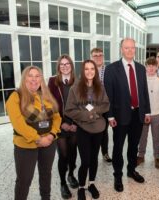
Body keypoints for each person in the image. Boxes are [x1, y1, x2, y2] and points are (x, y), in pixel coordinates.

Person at [6, 66, 61, 200]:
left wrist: (51, 135)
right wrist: (38, 139)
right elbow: (19, 124)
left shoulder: (46, 95)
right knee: (24, 180)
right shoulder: (15, 96)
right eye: (30, 76)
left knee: (46, 174)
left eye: (37, 76)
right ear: (24, 78)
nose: (34, 79)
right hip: (26, 146)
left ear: (41, 79)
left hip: (49, 142)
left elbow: (57, 117)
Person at [104, 38, 151, 192]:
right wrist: (110, 116)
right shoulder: (111, 69)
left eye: (132, 48)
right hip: (119, 116)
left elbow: (144, 92)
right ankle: (118, 175)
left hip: (138, 114)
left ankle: (131, 170)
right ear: (121, 49)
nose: (130, 50)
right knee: (118, 147)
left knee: (133, 146)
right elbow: (108, 95)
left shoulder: (140, 68)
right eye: (127, 48)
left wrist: (147, 111)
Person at [65, 60, 109, 200]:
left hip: (98, 129)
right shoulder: (75, 88)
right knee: (85, 161)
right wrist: (85, 115)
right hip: (83, 129)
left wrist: (95, 111)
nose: (90, 71)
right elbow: (69, 110)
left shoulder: (100, 87)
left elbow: (106, 105)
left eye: (92, 69)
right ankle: (81, 187)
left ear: (95, 71)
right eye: (86, 69)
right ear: (82, 71)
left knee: (94, 159)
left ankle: (91, 184)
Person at [48, 55, 78, 199]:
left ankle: (71, 174)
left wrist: (76, 123)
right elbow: (49, 106)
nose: (65, 66)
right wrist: (62, 124)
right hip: (60, 125)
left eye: (67, 64)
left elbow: (85, 105)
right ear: (58, 67)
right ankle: (62, 183)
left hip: (75, 125)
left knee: (73, 153)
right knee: (63, 155)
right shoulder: (52, 82)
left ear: (71, 65)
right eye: (62, 64)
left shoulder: (79, 82)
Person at [137, 57, 159, 169]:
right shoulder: (141, 81)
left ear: (156, 67)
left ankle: (157, 157)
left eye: (153, 66)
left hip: (157, 114)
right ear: (146, 67)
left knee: (156, 137)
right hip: (144, 114)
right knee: (142, 136)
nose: (151, 68)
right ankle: (141, 155)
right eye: (149, 66)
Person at [90, 48, 112, 163]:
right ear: (91, 57)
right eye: (95, 55)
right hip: (91, 107)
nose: (98, 57)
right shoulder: (88, 70)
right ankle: (92, 154)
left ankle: (105, 153)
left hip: (105, 107)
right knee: (91, 130)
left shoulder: (109, 70)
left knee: (104, 131)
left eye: (100, 55)